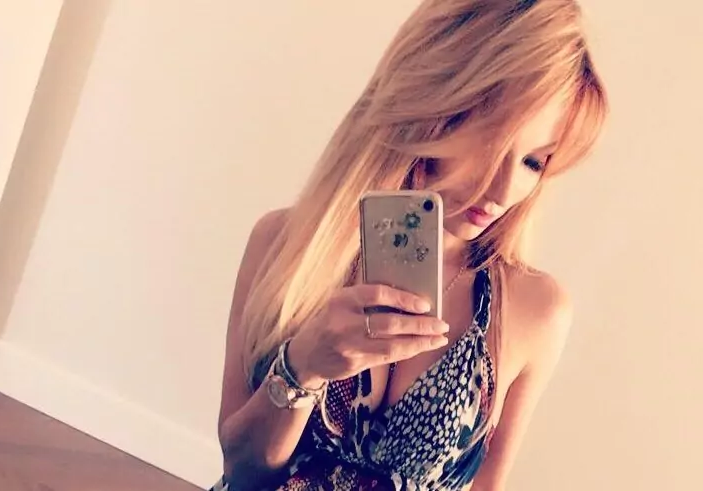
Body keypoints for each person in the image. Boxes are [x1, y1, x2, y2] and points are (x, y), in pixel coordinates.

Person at [213, 0, 608, 489]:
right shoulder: (282, 245)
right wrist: (303, 368)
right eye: (492, 142)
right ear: (431, 110)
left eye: (534, 162)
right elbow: (241, 470)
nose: (505, 190)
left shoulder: (533, 309)